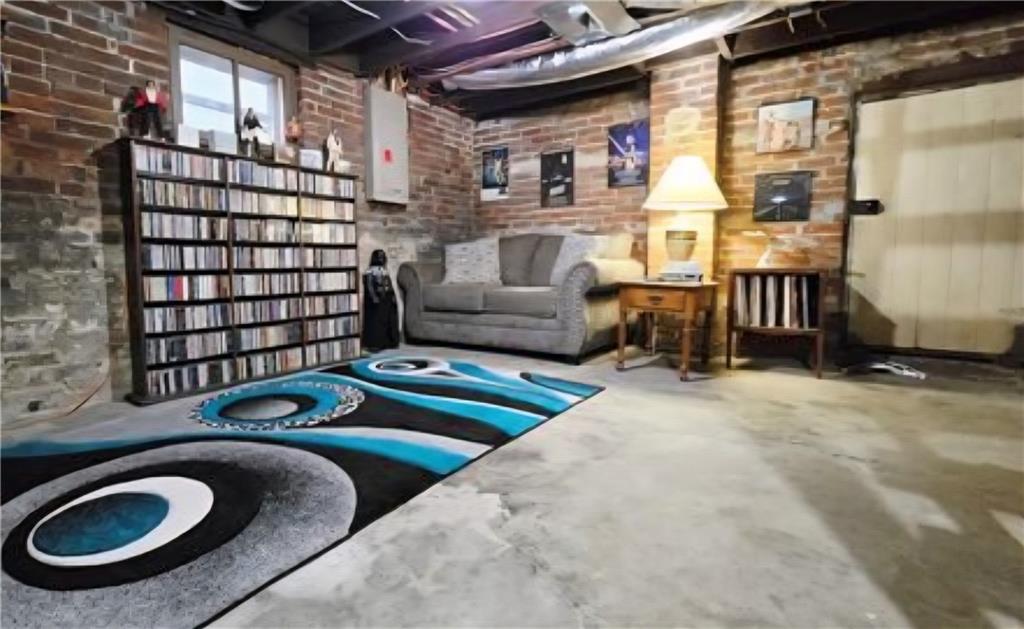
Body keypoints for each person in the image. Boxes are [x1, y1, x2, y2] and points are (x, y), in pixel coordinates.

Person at [361, 249, 400, 352]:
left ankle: (388, 342)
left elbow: (389, 285)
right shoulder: (370, 271)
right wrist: (374, 297)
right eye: (379, 257)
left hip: (386, 298)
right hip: (376, 299)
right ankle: (375, 344)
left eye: (383, 257)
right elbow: (369, 286)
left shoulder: (384, 271)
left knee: (387, 320)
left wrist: (393, 297)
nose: (381, 259)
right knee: (376, 322)